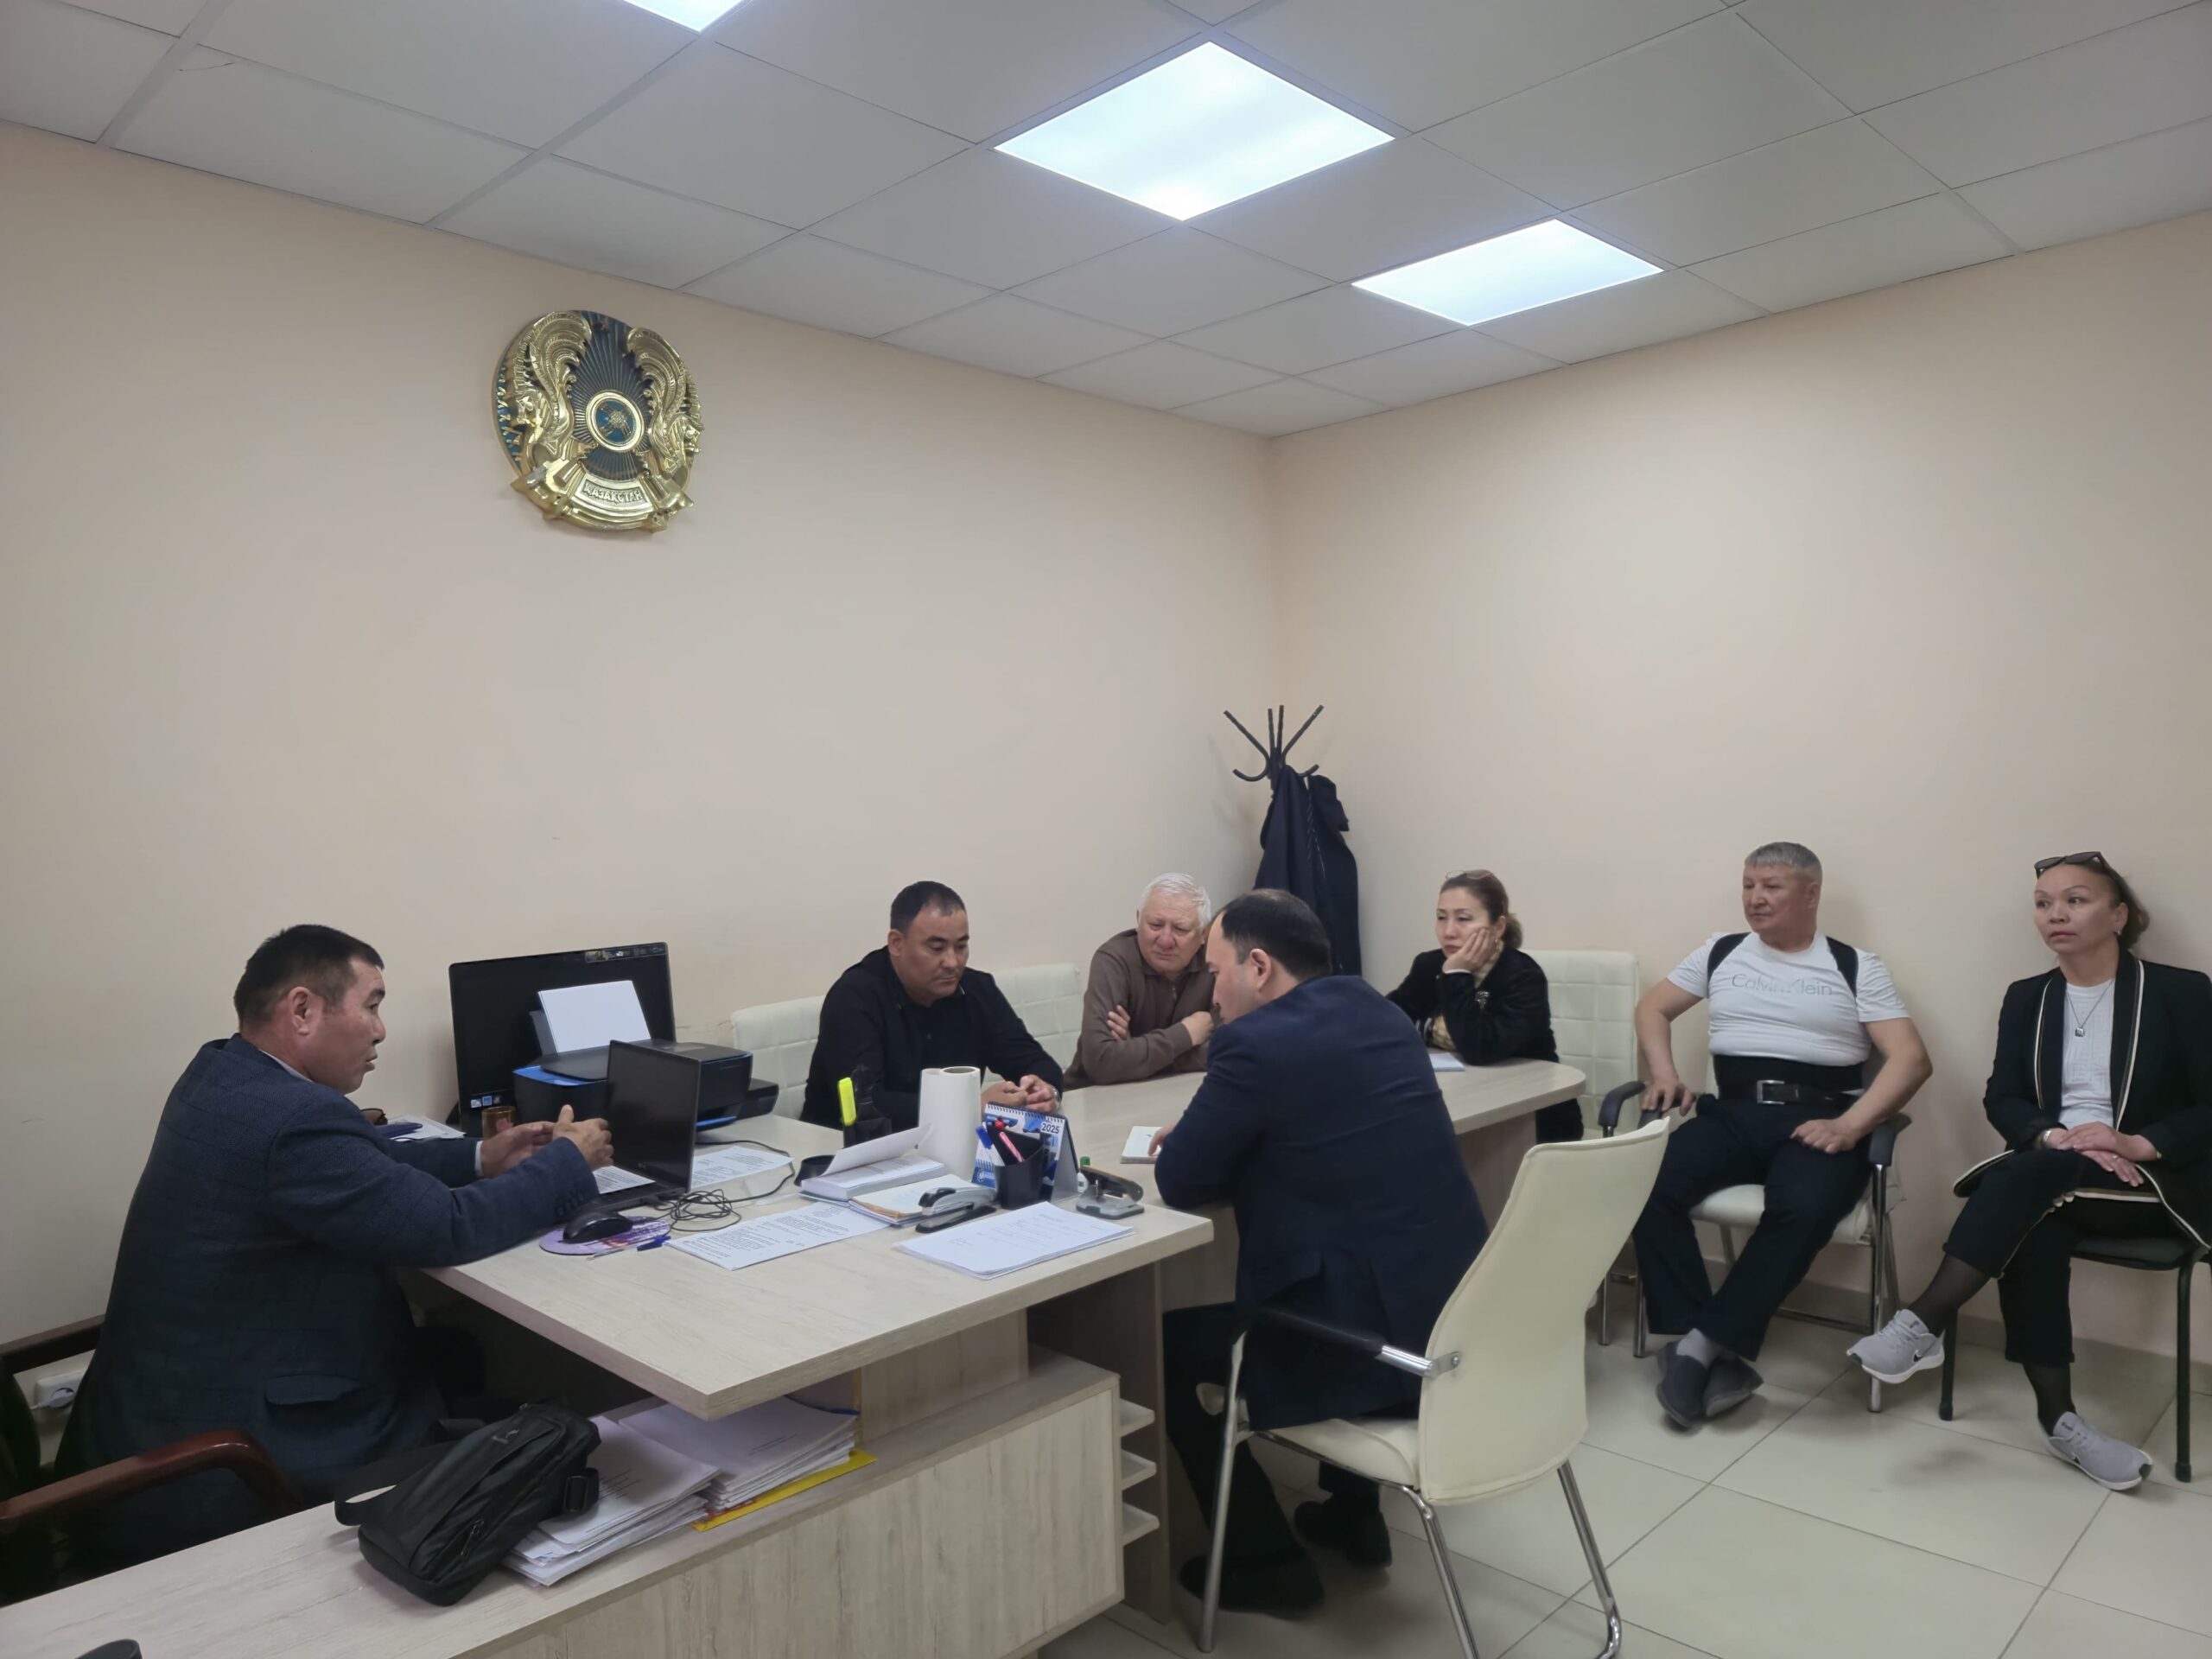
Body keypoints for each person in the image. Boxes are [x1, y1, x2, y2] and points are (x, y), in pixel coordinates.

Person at [67, 925, 612, 1560]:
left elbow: (359, 1161)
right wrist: (568, 1163)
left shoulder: (224, 1072)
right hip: (235, 1460)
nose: (381, 1031)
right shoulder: (294, 1121)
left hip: (156, 1419)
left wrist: (482, 1157)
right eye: (372, 1005)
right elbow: (449, 1228)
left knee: (457, 1350)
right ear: (302, 1010)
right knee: (534, 1427)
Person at [1150, 890, 1489, 1616]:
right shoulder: (1378, 1012)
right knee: (1352, 1255)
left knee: (1163, 1346)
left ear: (1259, 967)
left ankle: (1265, 1562)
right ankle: (1353, 1515)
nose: (1214, 992)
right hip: (1454, 1326)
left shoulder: (1255, 1044)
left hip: (1368, 1350)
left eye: (1217, 971)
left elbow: (1181, 1180)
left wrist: (1208, 1134)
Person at [1850, 854, 2212, 1490]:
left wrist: (2134, 1142)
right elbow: (2005, 1097)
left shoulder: (2180, 991)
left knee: (2018, 1183)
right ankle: (2061, 1422)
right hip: (2053, 1179)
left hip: (2147, 1184)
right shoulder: (2029, 997)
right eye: (2043, 903)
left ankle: (1923, 1321)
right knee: (2032, 1228)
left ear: (2119, 915)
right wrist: (2054, 1137)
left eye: (2076, 900)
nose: (2055, 914)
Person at [1630, 843, 1931, 1429]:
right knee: (1645, 1184)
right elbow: (1652, 1009)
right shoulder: (1721, 951)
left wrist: (1851, 1125)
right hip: (1731, 1113)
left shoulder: (1853, 965)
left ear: (1811, 894)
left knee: (1803, 1206)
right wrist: (1665, 1073)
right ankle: (1703, 1341)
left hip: (1820, 1117)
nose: (1755, 898)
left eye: (1771, 886)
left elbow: (1911, 1059)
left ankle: (1695, 1349)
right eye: (1748, 885)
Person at [802, 881, 1062, 1130]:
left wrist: (1045, 1091)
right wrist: (968, 1108)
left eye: (961, 946)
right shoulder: (854, 997)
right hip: (840, 1149)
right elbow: (867, 1104)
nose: (952, 962)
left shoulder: (977, 989)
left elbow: (1036, 1062)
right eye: (937, 948)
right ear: (896, 943)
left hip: (950, 1148)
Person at [1385, 868, 1576, 1141]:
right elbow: (1387, 1020)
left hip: (1529, 1116)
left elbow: (1479, 1047)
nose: (1448, 931)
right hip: (1456, 1101)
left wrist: (1456, 974)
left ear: (1498, 927)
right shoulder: (1429, 964)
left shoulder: (1522, 976)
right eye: (1441, 917)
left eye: (1463, 919)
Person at [1065, 874, 1217, 1089]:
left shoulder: (1216, 962)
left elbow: (1232, 1051)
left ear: (1203, 934)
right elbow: (1101, 1062)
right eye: (1155, 925)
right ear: (1138, 921)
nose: (1165, 941)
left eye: (1180, 929)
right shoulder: (1114, 960)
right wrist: (1186, 1034)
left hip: (1176, 1091)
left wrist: (1136, 1052)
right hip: (1096, 1096)